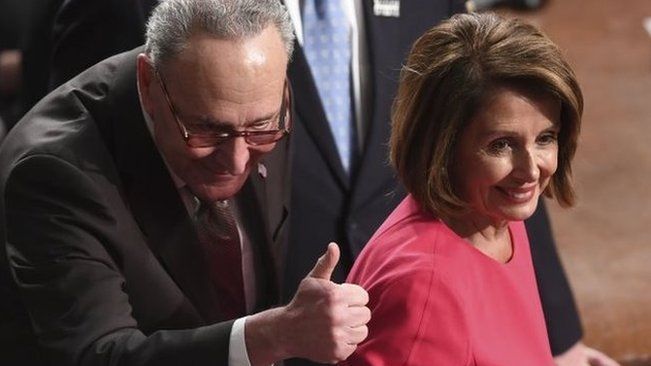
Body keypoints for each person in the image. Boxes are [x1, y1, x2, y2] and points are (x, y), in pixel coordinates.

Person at [0, 1, 370, 365]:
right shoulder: (56, 171)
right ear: (148, 85)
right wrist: (270, 336)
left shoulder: (260, 104)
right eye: (209, 130)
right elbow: (99, 354)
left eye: (260, 129)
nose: (238, 160)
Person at [341, 12, 619, 365]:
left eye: (545, 138)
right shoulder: (426, 291)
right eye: (501, 144)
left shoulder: (496, 211)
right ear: (443, 144)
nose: (531, 169)